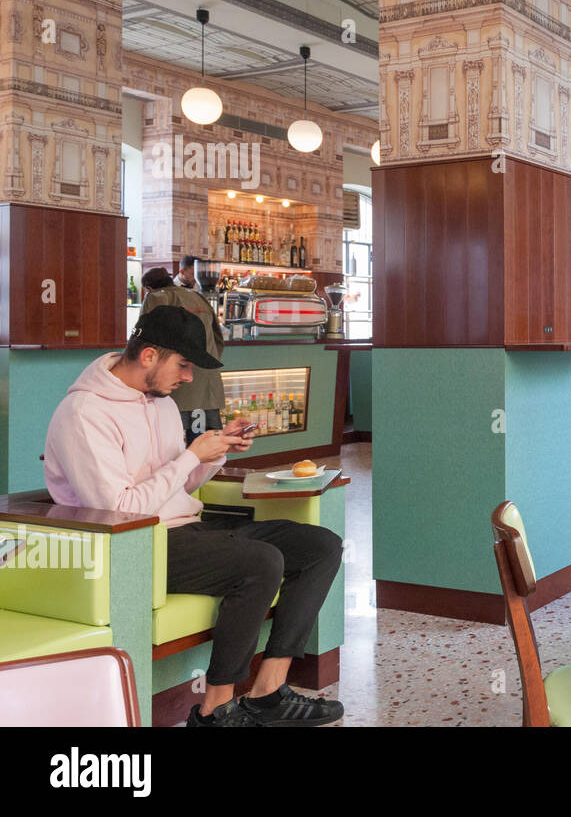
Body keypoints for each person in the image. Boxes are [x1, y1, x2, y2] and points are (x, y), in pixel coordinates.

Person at [42, 307, 344, 727]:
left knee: (320, 545)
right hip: (138, 544)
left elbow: (177, 485)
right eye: (182, 365)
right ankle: (215, 711)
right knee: (262, 562)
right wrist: (189, 456)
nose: (187, 378)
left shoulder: (160, 403)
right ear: (149, 356)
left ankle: (267, 693)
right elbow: (120, 510)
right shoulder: (84, 414)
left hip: (189, 530)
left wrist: (215, 453)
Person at [141, 266, 224, 444]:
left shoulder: (155, 297)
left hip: (174, 386)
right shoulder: (198, 297)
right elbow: (218, 339)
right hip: (206, 384)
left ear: (148, 288)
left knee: (172, 444)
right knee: (203, 441)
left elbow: (144, 338)